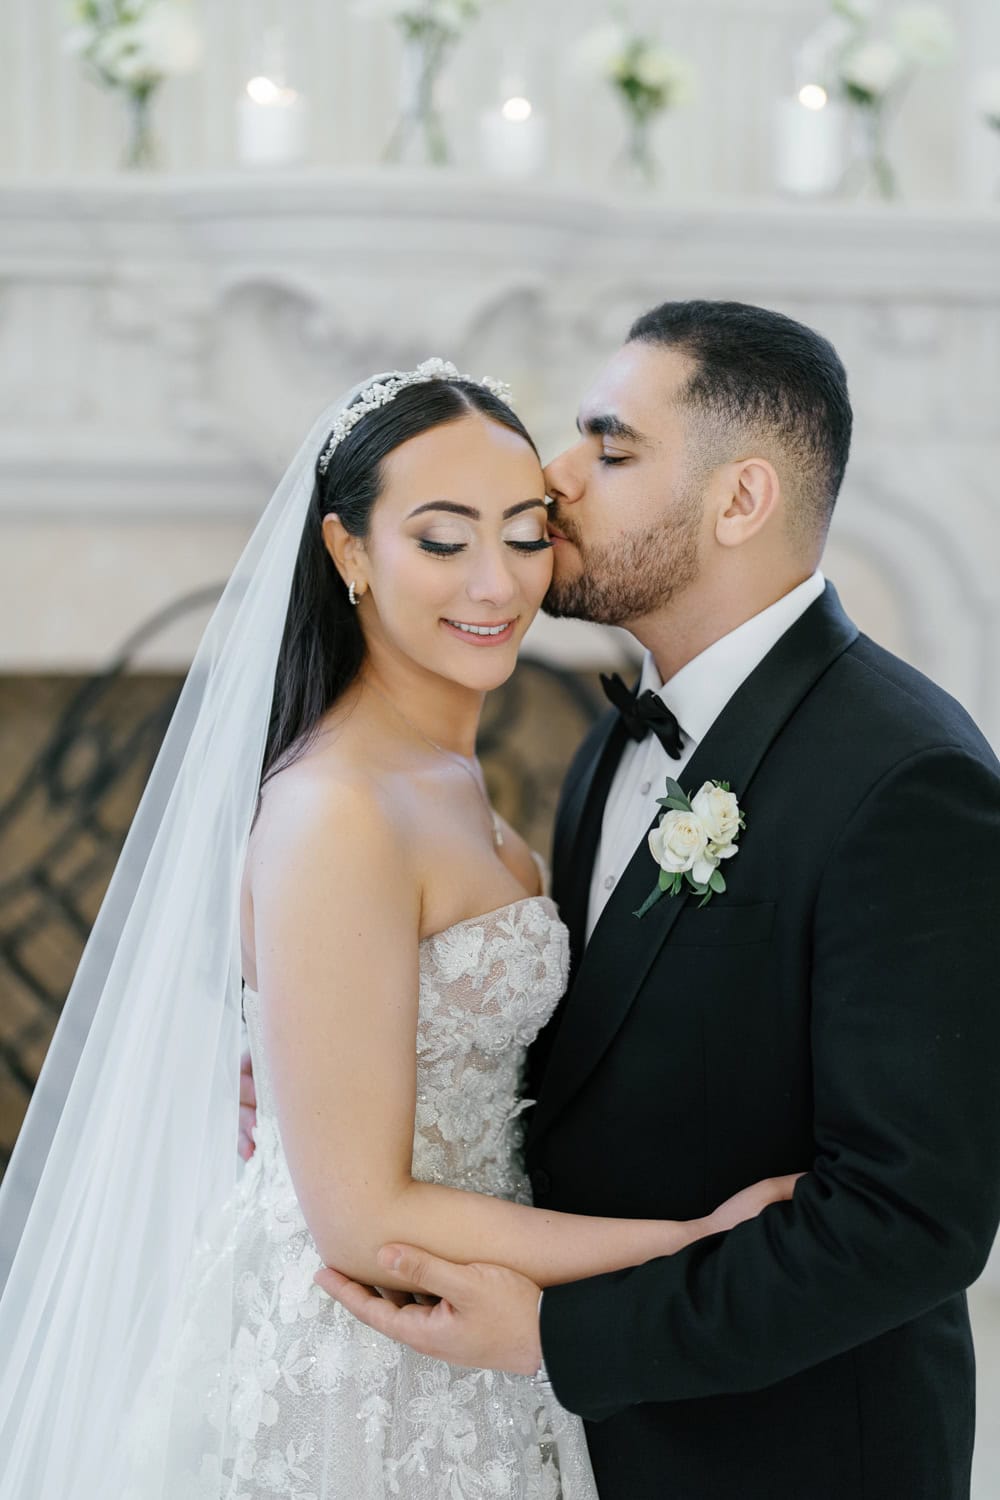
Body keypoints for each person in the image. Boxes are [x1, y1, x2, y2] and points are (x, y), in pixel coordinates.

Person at [0, 359, 797, 1500]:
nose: (495, 582)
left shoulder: (456, 778)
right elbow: (366, 1219)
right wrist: (682, 1242)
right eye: (440, 539)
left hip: (489, 1339)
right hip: (369, 1372)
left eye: (525, 534)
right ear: (347, 554)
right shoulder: (338, 810)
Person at [313, 304, 1000, 1500]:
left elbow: (910, 1220)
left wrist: (554, 1337)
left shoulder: (907, 779)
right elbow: (594, 1066)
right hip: (573, 1448)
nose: (553, 479)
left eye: (609, 447)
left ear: (739, 501)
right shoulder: (607, 745)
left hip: (785, 1456)